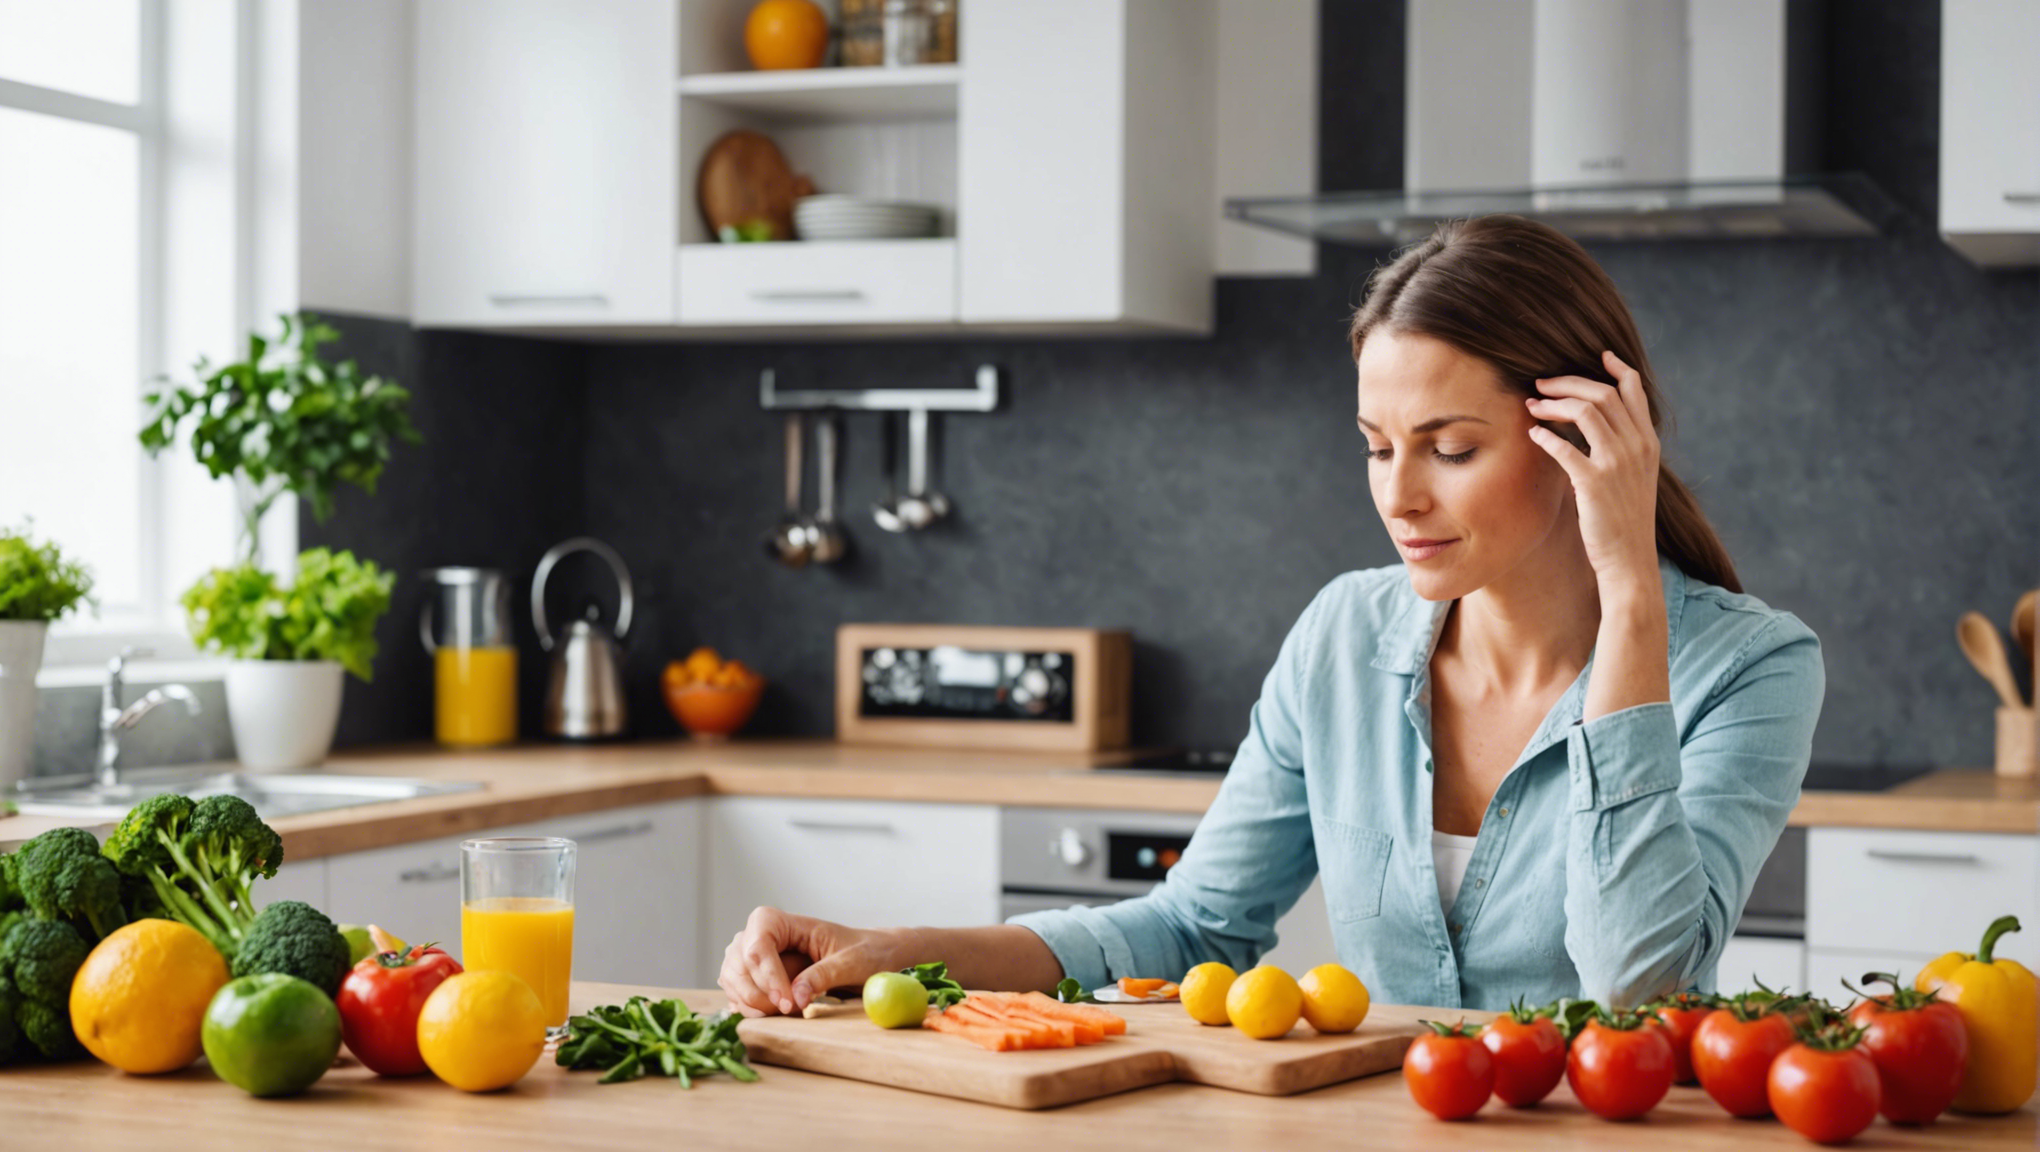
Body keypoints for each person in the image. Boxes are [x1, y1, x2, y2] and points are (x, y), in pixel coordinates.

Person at [718, 214, 1825, 1017]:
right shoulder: (1346, 635)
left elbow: (1641, 985)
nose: (1399, 495)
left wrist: (1630, 588)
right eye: (1377, 448)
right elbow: (1195, 924)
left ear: (1586, 436)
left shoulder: (1749, 668)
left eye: (1451, 449)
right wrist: (898, 951)